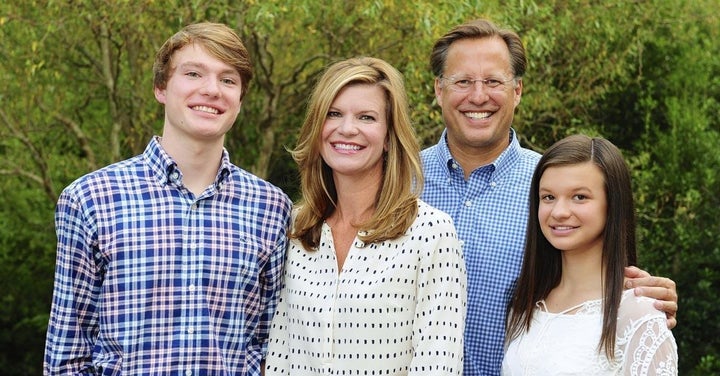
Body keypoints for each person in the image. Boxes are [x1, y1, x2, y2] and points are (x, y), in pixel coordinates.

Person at [419, 19, 679, 375]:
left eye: (494, 81)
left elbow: (600, 282)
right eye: (462, 81)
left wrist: (641, 300)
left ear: (518, 90)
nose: (478, 96)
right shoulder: (398, 184)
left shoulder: (552, 187)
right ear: (438, 89)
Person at [43, 22, 292, 375]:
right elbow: (67, 356)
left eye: (228, 80)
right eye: (193, 74)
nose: (212, 90)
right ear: (161, 87)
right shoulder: (90, 200)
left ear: (240, 99)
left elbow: (270, 349)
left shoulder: (271, 208)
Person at [264, 57, 467, 375]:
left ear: (389, 137)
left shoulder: (430, 232)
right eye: (334, 114)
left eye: (366, 117)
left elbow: (437, 363)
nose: (347, 128)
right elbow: (279, 353)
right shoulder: (295, 227)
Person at [503, 134, 678, 374]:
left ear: (612, 204)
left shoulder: (637, 313)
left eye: (580, 197)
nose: (559, 211)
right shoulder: (524, 304)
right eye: (548, 197)